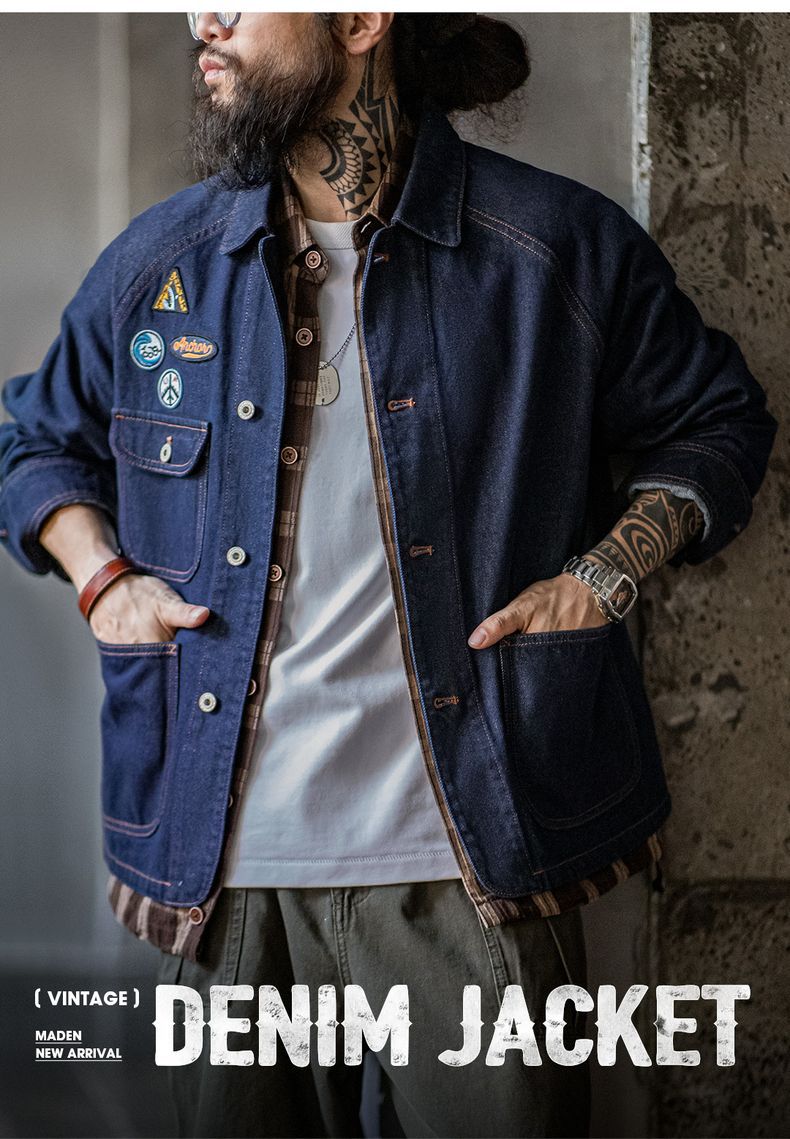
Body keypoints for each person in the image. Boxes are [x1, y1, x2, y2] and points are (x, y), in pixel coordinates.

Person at [0, 12, 777, 1138]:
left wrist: (603, 576)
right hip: (226, 874)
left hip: (475, 859)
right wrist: (103, 580)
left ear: (363, 19)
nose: (201, 20)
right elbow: (33, 442)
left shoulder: (554, 248)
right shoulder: (161, 263)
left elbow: (717, 422)